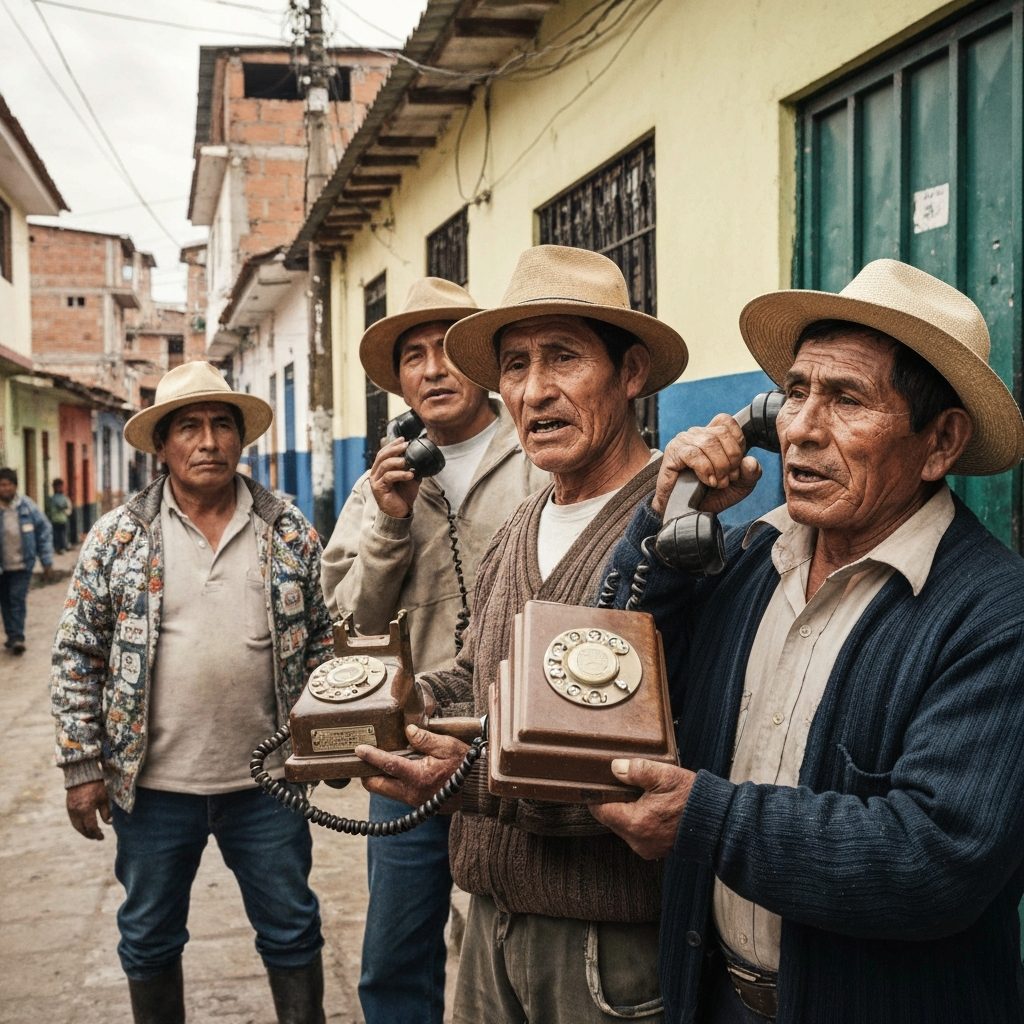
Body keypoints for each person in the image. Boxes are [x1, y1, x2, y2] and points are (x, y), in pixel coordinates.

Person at [593, 259, 1024, 1024]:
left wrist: (704, 819)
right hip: (712, 993)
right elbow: (629, 662)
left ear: (941, 442)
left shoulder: (996, 616)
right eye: (796, 393)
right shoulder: (754, 557)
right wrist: (665, 517)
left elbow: (934, 857)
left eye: (847, 399)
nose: (799, 429)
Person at [354, 244, 689, 1024]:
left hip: (603, 947)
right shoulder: (524, 521)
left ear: (631, 371)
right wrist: (390, 705)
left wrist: (467, 780)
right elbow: (478, 677)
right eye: (513, 365)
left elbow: (656, 763)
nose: (533, 391)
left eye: (563, 358)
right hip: (488, 923)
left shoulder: (674, 535)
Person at [50, 361, 334, 1024]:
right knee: (148, 937)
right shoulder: (117, 540)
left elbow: (325, 642)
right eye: (189, 427)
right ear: (162, 446)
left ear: (241, 439)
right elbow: (76, 655)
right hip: (151, 791)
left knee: (292, 927)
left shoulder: (287, 531)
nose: (207, 441)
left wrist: (329, 743)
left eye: (220, 425)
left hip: (267, 783)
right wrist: (80, 765)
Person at [321, 277, 548, 1024]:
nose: (431, 369)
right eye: (412, 356)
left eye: (448, 347)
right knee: (394, 956)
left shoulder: (540, 454)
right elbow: (347, 627)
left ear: (480, 362)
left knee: (517, 950)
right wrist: (390, 524)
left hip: (519, 743)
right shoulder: (379, 484)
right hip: (414, 746)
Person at [0, 466, 53, 655]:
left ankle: (18, 637)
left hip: (22, 565)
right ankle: (11, 635)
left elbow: (44, 531)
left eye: (7, 485)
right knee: (4, 602)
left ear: (15, 486)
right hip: (2, 567)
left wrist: (47, 560)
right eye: (1, 485)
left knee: (17, 600)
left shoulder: (28, 507)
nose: (4, 489)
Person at [46, 477, 72, 553]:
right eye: (57, 486)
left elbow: (68, 508)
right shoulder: (52, 498)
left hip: (62, 520)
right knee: (57, 535)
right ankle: (59, 548)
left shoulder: (64, 498)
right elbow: (49, 509)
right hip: (55, 520)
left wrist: (65, 512)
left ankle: (62, 547)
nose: (59, 488)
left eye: (60, 486)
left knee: (62, 535)